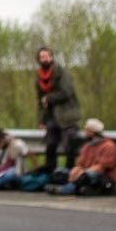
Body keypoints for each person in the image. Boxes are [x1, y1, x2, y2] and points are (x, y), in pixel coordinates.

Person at [34, 47, 82, 176]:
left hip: (67, 116)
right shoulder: (39, 78)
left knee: (69, 147)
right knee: (50, 146)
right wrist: (41, 120)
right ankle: (51, 174)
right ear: (38, 60)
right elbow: (40, 102)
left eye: (47, 56)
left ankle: (69, 174)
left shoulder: (62, 73)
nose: (45, 59)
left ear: (52, 57)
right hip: (52, 118)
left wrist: (49, 98)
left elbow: (67, 92)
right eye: (42, 57)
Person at [48, 119, 116, 196]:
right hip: (85, 173)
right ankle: (78, 187)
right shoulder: (87, 146)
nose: (85, 132)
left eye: (86, 130)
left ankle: (65, 189)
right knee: (59, 172)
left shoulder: (108, 146)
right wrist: (75, 171)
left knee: (85, 176)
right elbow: (80, 164)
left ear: (92, 132)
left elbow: (101, 168)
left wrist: (82, 173)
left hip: (102, 178)